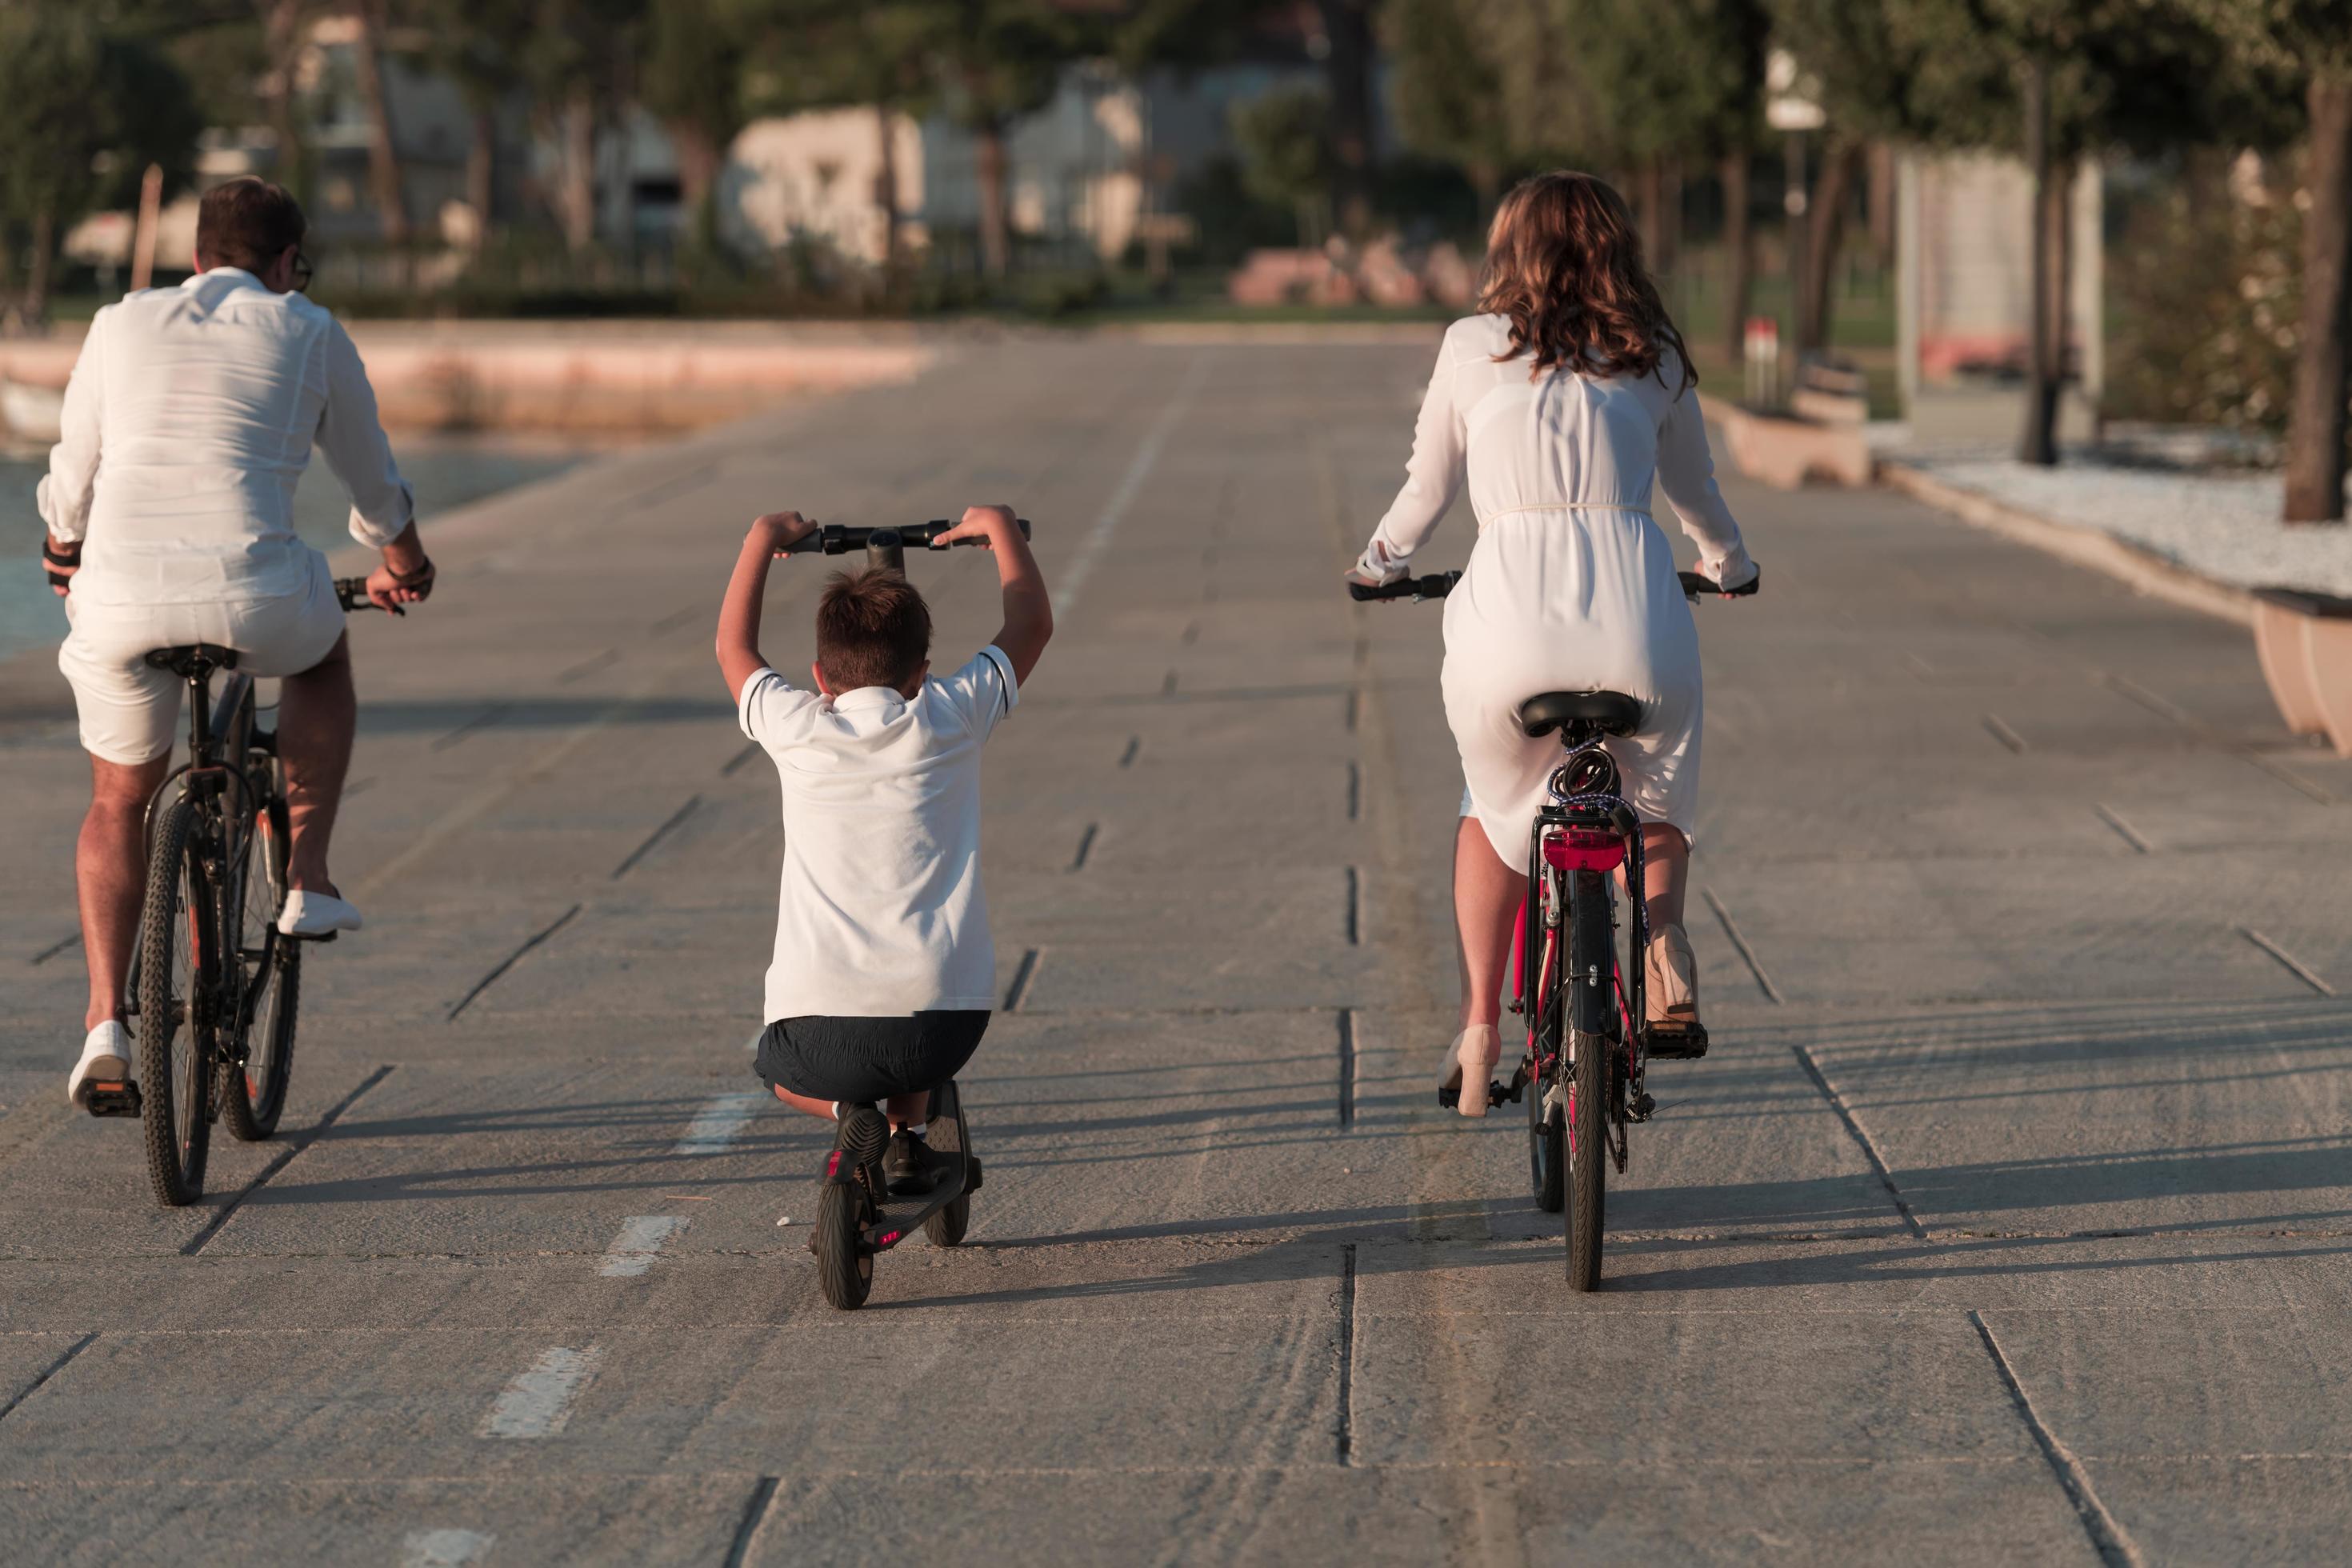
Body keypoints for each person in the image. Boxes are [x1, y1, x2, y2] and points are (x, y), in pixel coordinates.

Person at [1345, 171, 1758, 1117]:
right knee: (1651, 785)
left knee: (1490, 807)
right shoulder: (1651, 353)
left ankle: (1482, 1023)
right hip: (1639, 626)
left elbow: (1424, 491)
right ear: (1618, 248)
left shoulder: (1469, 345)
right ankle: (1662, 951)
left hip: (1507, 638)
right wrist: (1729, 567)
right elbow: (1700, 499)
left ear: (1509, 248)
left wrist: (1376, 564)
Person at [41, 176, 434, 1112]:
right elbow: (375, 485)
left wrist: (64, 550)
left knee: (116, 800)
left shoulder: (117, 321)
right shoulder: (309, 328)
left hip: (121, 598)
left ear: (194, 260)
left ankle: (105, 1021)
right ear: (288, 263)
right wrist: (407, 565)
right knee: (324, 654)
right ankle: (305, 876)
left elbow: (72, 474)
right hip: (255, 593)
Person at [717, 505, 1050, 1188]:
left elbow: (733, 650)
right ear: (922, 674)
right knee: (912, 1048)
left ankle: (847, 1112)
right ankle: (907, 1132)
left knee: (772, 1071)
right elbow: (1031, 625)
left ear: (819, 675)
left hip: (816, 1034)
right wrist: (1001, 531)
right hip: (944, 1026)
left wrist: (760, 540)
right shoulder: (952, 714)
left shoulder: (795, 727)